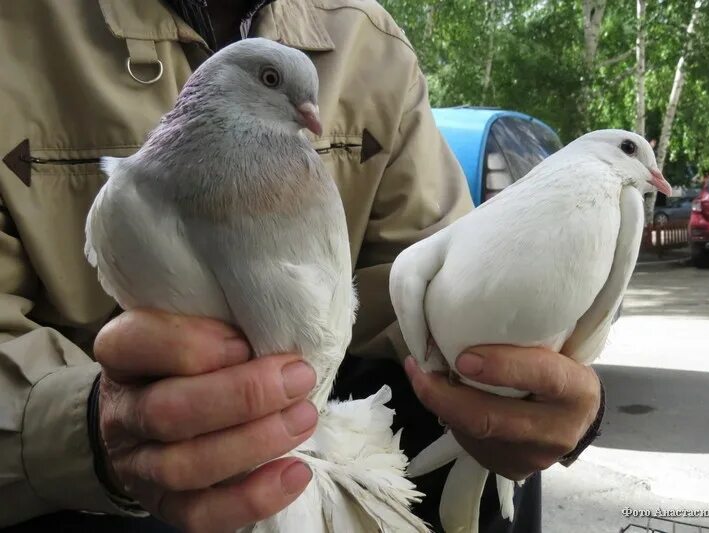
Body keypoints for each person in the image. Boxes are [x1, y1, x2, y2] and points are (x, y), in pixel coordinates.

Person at [0, 1, 603, 531]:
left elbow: (432, 271)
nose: (312, 116)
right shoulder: (18, 32)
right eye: (270, 82)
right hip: (93, 475)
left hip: (316, 402)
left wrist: (521, 388)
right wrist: (92, 430)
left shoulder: (372, 43)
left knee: (495, 479)